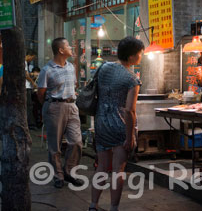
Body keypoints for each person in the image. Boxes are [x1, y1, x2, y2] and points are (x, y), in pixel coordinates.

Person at [89, 36, 144, 211]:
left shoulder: (104, 68)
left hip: (101, 122)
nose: (141, 56)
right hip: (120, 125)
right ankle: (113, 208)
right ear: (131, 57)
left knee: (102, 167)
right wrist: (130, 137)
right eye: (140, 53)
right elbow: (129, 111)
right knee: (118, 170)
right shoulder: (132, 79)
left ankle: (93, 205)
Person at [37, 37, 83, 189]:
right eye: (68, 45)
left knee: (76, 142)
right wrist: (49, 106)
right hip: (55, 107)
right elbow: (41, 93)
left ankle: (68, 171)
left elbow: (73, 85)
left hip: (72, 106)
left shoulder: (71, 67)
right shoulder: (47, 70)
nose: (71, 47)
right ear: (61, 50)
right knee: (55, 145)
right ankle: (58, 176)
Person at [25, 49, 37, 130]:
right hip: (26, 87)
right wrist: (33, 82)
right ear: (29, 55)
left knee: (29, 105)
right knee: (29, 105)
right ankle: (30, 124)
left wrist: (32, 74)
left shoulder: (25, 63)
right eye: (32, 58)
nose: (32, 59)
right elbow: (25, 75)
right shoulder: (24, 62)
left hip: (26, 86)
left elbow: (27, 74)